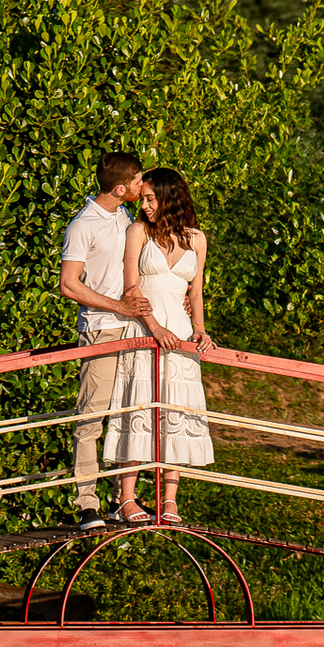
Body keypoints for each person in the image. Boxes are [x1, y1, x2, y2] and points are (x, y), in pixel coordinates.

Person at [103, 167, 214, 526]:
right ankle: (127, 497)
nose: (146, 205)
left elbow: (195, 291)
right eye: (144, 199)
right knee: (139, 408)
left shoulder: (197, 238)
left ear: (170, 196)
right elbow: (131, 288)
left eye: (151, 198)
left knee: (175, 411)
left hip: (180, 337)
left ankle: (170, 499)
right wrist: (154, 327)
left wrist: (200, 329)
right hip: (145, 330)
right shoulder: (138, 232)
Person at [59, 151, 151, 531]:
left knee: (131, 415)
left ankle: (122, 499)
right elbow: (69, 285)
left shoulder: (125, 216)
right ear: (120, 187)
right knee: (90, 418)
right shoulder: (83, 225)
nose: (142, 186)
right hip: (101, 329)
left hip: (133, 329)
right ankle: (86, 504)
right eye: (137, 181)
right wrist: (120, 307)